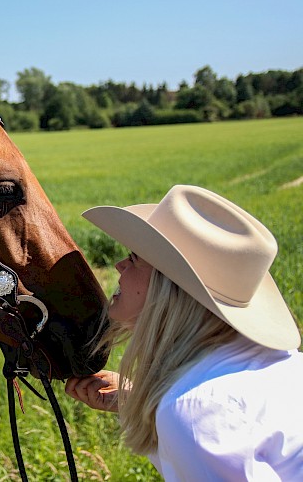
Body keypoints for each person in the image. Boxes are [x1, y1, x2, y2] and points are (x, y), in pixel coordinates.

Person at [65, 184, 303, 481]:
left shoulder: (196, 413)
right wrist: (137, 400)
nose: (120, 265)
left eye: (135, 258)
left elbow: (205, 420)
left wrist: (172, 411)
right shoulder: (285, 367)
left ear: (170, 291)